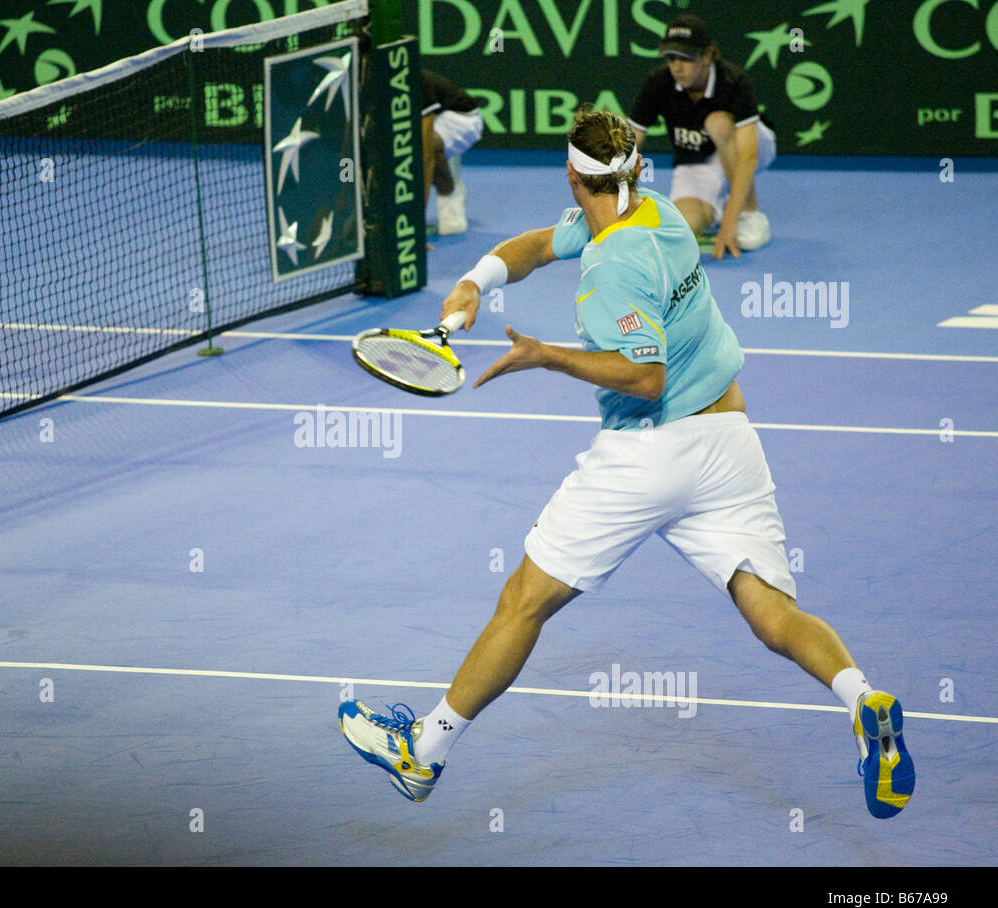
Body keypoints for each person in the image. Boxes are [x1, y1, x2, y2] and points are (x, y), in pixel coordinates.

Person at [338, 106, 914, 820]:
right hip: (729, 438)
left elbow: (646, 378)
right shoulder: (658, 213)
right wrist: (476, 283)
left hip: (647, 454)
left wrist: (546, 355)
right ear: (630, 171)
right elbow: (541, 244)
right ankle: (861, 699)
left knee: (523, 601)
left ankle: (423, 753)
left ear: (574, 176)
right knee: (769, 608)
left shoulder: (612, 269)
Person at [627, 14, 775, 258]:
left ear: (707, 56)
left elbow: (749, 156)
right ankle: (712, 208)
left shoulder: (733, 80)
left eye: (686, 58)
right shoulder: (658, 82)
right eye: (672, 57)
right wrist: (612, 190)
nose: (677, 66)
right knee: (684, 225)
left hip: (750, 146)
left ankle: (750, 213)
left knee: (718, 123)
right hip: (698, 159)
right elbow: (632, 140)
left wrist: (730, 222)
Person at [421, 68, 483, 236]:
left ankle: (449, 202)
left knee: (423, 150)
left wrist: (415, 226)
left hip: (462, 120)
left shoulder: (420, 83)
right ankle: (452, 217)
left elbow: (425, 158)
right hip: (439, 118)